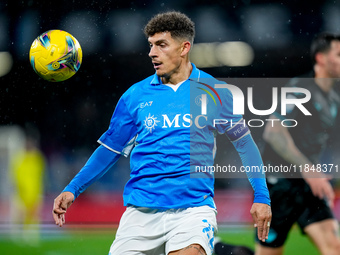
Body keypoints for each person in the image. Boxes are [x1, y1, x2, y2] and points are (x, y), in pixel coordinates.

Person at [52, 11, 271, 255]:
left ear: (184, 47)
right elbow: (109, 150)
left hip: (193, 210)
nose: (152, 53)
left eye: (161, 45)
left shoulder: (215, 91)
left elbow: (245, 144)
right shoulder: (135, 96)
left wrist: (262, 196)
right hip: (141, 213)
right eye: (151, 45)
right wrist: (73, 188)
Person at [255, 32, 340, 255]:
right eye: (339, 54)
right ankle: (220, 246)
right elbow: (272, 133)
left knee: (335, 248)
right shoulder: (299, 88)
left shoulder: (333, 97)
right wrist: (309, 169)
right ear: (321, 58)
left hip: (308, 185)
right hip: (281, 184)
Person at [11, 123, 46, 244]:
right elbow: (15, 176)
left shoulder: (37, 158)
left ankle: (32, 238)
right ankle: (17, 238)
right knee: (19, 216)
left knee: (33, 217)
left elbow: (40, 176)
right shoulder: (19, 158)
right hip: (21, 193)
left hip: (35, 193)